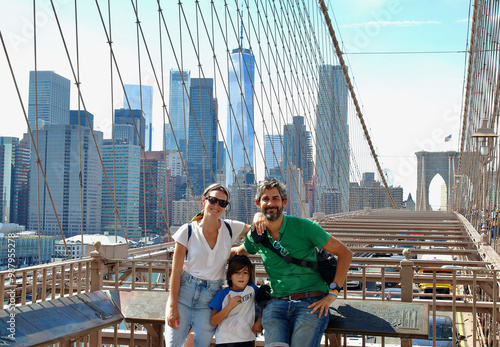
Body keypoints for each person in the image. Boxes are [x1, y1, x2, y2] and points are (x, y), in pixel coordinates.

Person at [235, 178, 353, 347]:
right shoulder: (256, 236)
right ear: (257, 203)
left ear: (284, 202)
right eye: (265, 199)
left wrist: (333, 293)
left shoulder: (305, 227)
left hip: (310, 303)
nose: (270, 203)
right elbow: (238, 252)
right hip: (276, 303)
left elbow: (345, 253)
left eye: (275, 198)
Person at [165, 183, 264, 347]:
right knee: (173, 344)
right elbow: (175, 272)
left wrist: (258, 217)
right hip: (183, 295)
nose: (217, 205)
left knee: (200, 345)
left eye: (223, 203)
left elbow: (255, 230)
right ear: (203, 200)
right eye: (213, 200)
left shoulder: (230, 228)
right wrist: (172, 306)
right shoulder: (187, 231)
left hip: (209, 299)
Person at [209, 255, 262, 347]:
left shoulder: (253, 289)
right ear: (229, 276)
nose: (241, 276)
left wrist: (259, 321)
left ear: (250, 275)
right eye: (237, 273)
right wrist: (229, 307)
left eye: (245, 273)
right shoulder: (222, 294)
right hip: (224, 341)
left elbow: (265, 304)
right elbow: (213, 321)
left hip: (246, 340)